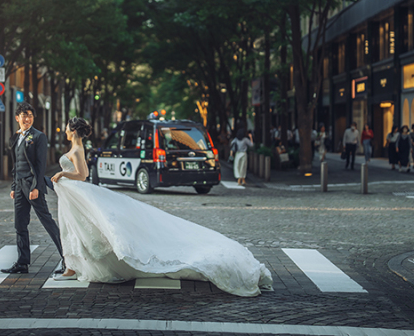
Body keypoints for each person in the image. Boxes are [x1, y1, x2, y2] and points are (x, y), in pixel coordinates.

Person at [51, 117, 273, 296]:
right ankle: (72, 266)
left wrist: (62, 173)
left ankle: (72, 267)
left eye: (67, 129)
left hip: (76, 191)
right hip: (72, 195)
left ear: (73, 131)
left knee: (81, 228)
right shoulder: (76, 147)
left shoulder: (78, 150)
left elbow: (83, 175)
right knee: (74, 229)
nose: (65, 132)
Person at [2, 103, 64, 275]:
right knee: (19, 224)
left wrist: (36, 186)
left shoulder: (39, 137)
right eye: (23, 115)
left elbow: (40, 165)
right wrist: (14, 186)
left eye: (29, 115)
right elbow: (15, 164)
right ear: (17, 118)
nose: (27, 119)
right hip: (20, 186)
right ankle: (22, 262)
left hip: (32, 185)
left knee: (47, 221)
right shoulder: (15, 137)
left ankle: (67, 258)